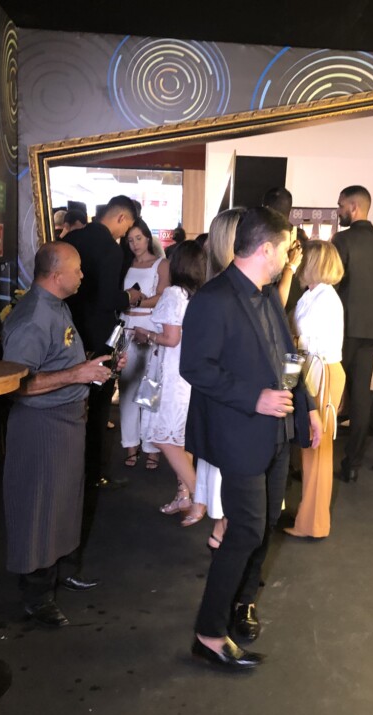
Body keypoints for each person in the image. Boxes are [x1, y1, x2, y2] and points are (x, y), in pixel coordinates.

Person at [181, 206, 322, 671]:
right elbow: (194, 367)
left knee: (263, 525)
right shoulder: (213, 298)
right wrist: (253, 397)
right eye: (285, 249)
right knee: (244, 529)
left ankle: (242, 604)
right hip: (239, 432)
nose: (289, 257)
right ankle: (208, 633)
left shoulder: (267, 296)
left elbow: (288, 360)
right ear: (265, 249)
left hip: (277, 432)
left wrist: (308, 407)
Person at [2, 242, 122, 627]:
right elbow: (16, 385)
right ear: (56, 276)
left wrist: (90, 365)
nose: (83, 275)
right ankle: (37, 598)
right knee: (39, 509)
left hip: (66, 421)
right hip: (42, 426)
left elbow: (58, 360)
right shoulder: (34, 317)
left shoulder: (57, 305)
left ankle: (61, 572)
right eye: (77, 269)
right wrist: (76, 374)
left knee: (65, 504)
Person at [65, 195, 142, 488]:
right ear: (121, 218)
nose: (125, 234)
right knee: (98, 410)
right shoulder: (111, 249)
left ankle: (70, 469)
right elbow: (108, 299)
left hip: (68, 332)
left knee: (70, 405)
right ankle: (93, 473)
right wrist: (130, 297)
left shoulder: (73, 239)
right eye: (127, 227)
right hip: (98, 338)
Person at [132, 240, 207, 526]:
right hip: (183, 374)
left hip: (170, 374)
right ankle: (183, 495)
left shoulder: (175, 293)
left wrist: (146, 335)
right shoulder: (199, 294)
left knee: (163, 437)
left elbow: (171, 338)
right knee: (178, 439)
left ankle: (199, 496)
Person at [332, 185, 373, 482]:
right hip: (370, 330)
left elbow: (332, 283)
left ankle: (317, 458)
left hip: (341, 329)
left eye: (340, 205)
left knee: (329, 393)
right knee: (361, 399)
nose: (339, 211)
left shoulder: (342, 240)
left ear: (353, 207)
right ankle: (353, 464)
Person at [286, 240, 346, 539]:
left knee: (317, 448)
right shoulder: (314, 294)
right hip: (312, 369)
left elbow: (306, 339)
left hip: (321, 372)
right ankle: (308, 518)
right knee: (310, 448)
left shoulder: (326, 298)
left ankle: (313, 524)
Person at [195, 208, 245, 550]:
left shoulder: (230, 289)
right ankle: (223, 531)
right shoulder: (217, 295)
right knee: (228, 474)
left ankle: (223, 529)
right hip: (229, 402)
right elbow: (202, 364)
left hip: (233, 401)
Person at [119, 219, 169, 470]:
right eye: (130, 240)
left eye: (138, 238)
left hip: (150, 325)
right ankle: (130, 444)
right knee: (127, 387)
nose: (135, 244)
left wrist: (135, 301)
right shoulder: (125, 264)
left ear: (148, 238)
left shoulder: (161, 264)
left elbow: (163, 296)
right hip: (127, 324)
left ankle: (151, 447)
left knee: (150, 389)